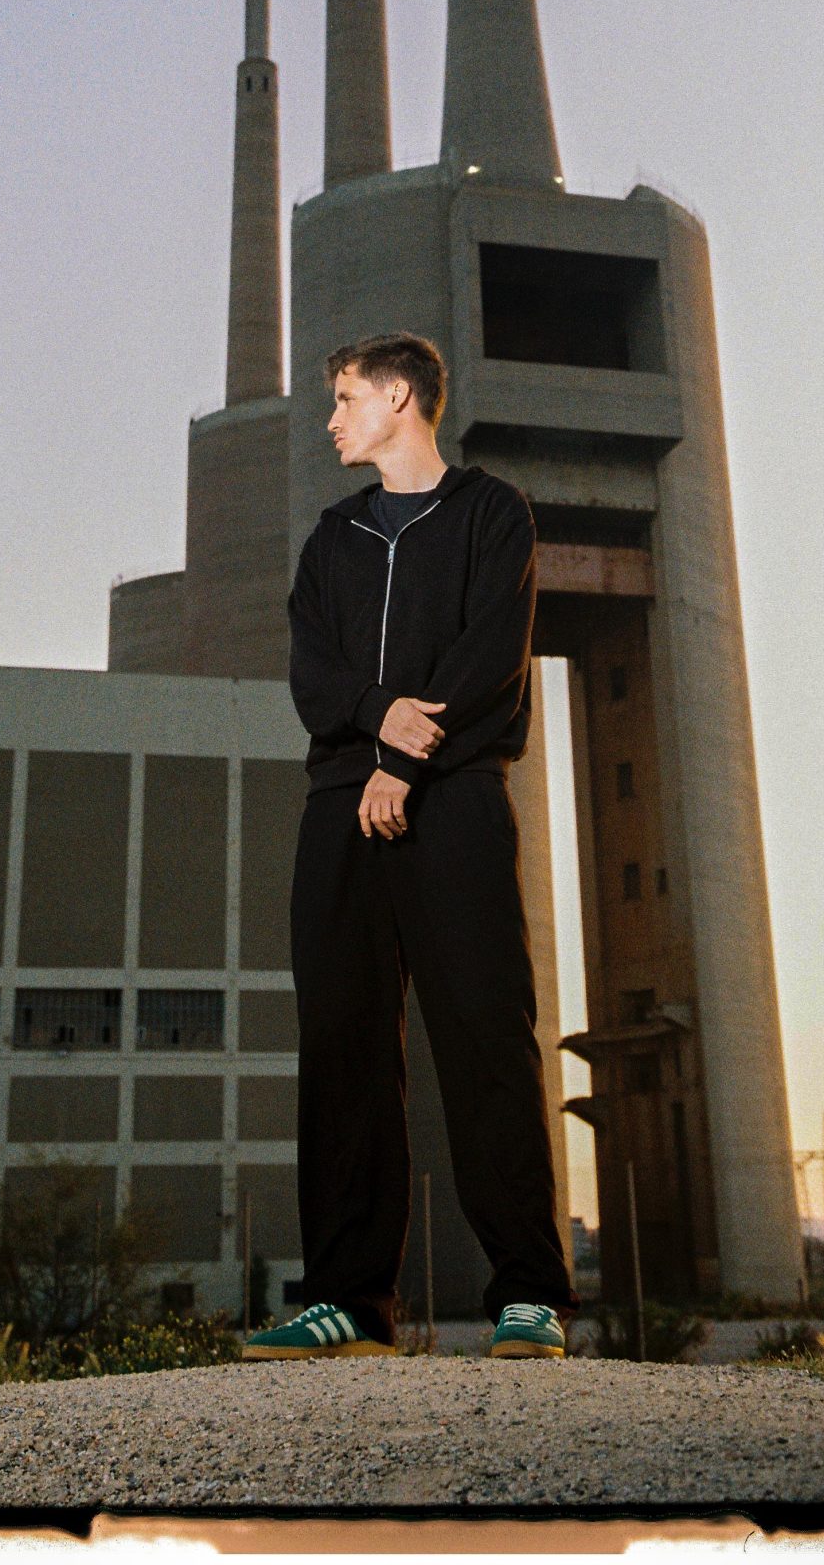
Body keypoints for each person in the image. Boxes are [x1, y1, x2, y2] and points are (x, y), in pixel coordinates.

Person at [243, 331, 576, 1361]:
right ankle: (348, 1303)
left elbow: (491, 654)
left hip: (456, 800)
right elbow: (313, 676)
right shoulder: (332, 539)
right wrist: (377, 719)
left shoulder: (491, 513)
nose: (332, 420)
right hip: (340, 808)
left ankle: (528, 1295)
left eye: (345, 399)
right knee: (343, 1046)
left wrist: (405, 756)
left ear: (398, 398)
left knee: (486, 1036)